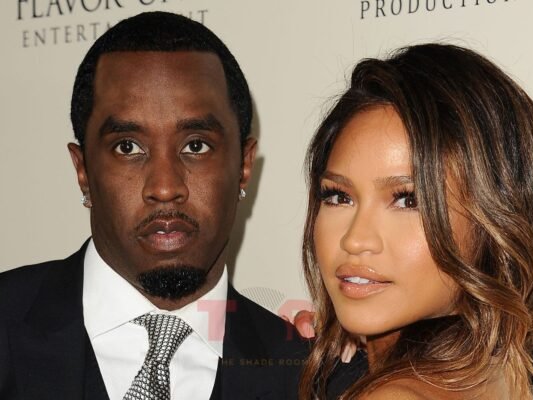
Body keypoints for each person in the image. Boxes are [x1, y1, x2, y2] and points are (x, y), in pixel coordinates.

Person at [0, 11, 359, 400]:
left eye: (196, 146)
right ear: (83, 169)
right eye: (127, 147)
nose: (165, 188)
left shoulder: (317, 380)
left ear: (243, 165)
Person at [299, 44, 533, 399]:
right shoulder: (497, 375)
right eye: (338, 196)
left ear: (494, 221)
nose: (355, 239)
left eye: (408, 200)